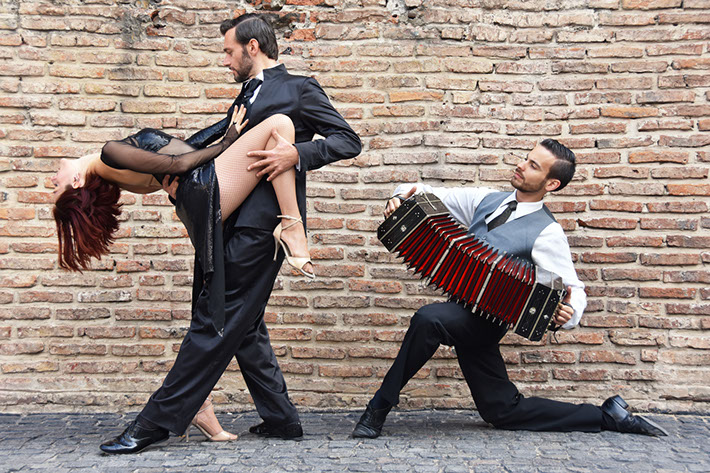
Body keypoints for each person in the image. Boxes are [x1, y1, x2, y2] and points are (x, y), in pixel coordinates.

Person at [98, 13, 361, 454]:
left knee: (212, 321)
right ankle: (282, 420)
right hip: (224, 223)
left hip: (261, 229)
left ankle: (154, 423)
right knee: (246, 325)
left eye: (228, 50)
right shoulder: (244, 95)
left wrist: (295, 153)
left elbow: (347, 140)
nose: (225, 59)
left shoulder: (298, 88)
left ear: (252, 47)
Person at [352, 139, 668, 439]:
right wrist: (400, 196)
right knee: (502, 411)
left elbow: (573, 288)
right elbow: (427, 192)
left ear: (551, 184)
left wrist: (568, 314)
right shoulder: (486, 200)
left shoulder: (547, 232)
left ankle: (378, 407)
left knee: (428, 318)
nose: (520, 166)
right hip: (461, 311)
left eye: (533, 166)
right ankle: (606, 416)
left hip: (486, 324)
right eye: (525, 158)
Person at [53, 109, 307, 445]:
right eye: (55, 185)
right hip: (206, 189)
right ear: (76, 183)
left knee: (241, 324)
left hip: (200, 201)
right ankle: (292, 226)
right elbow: (180, 164)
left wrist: (226, 124)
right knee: (281, 125)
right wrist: (228, 139)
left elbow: (183, 150)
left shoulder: (117, 171)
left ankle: (278, 418)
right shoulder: (109, 153)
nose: (52, 178)